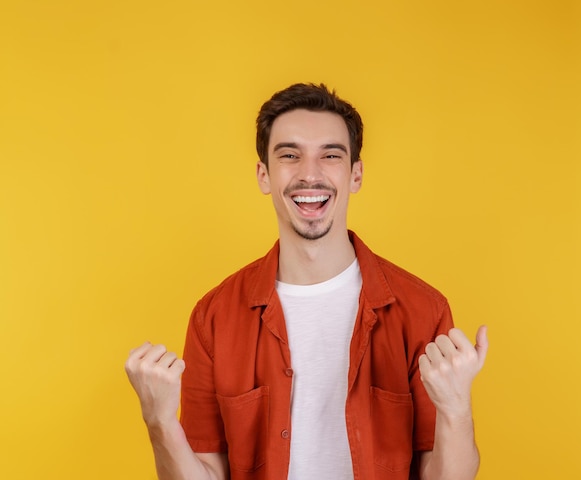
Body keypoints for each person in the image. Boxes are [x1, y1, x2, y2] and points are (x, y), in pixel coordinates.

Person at [125, 83, 489, 480]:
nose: (310, 174)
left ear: (356, 174)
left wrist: (456, 410)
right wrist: (159, 421)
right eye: (290, 155)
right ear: (264, 175)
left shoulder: (423, 310)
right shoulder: (214, 317)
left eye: (330, 155)